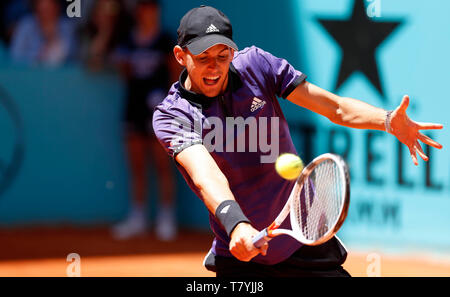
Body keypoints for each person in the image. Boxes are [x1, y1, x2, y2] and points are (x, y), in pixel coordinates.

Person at [152, 6, 443, 277]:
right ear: (180, 55)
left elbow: (335, 107)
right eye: (203, 59)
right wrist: (237, 224)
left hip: (304, 233)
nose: (214, 68)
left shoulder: (256, 65)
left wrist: (388, 120)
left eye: (222, 56)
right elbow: (206, 176)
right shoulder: (172, 115)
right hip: (242, 250)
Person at [111, 0, 181, 241]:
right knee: (137, 165)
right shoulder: (128, 40)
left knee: (163, 166)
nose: (149, 13)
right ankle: (138, 217)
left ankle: (166, 218)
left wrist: (166, 103)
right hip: (133, 109)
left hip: (160, 112)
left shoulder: (165, 40)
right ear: (139, 12)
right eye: (144, 8)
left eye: (153, 8)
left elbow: (175, 76)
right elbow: (122, 70)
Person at [9, 0, 77, 66]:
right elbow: (16, 55)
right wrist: (38, 58)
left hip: (60, 75)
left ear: (57, 8)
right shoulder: (26, 25)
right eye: (42, 10)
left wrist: (52, 37)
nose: (45, 14)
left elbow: (71, 55)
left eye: (48, 10)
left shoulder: (67, 26)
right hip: (29, 74)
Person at [78, 0, 130, 72]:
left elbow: (124, 69)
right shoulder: (85, 36)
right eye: (102, 9)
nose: (106, 15)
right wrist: (103, 34)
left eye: (111, 9)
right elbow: (91, 66)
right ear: (94, 14)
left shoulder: (126, 37)